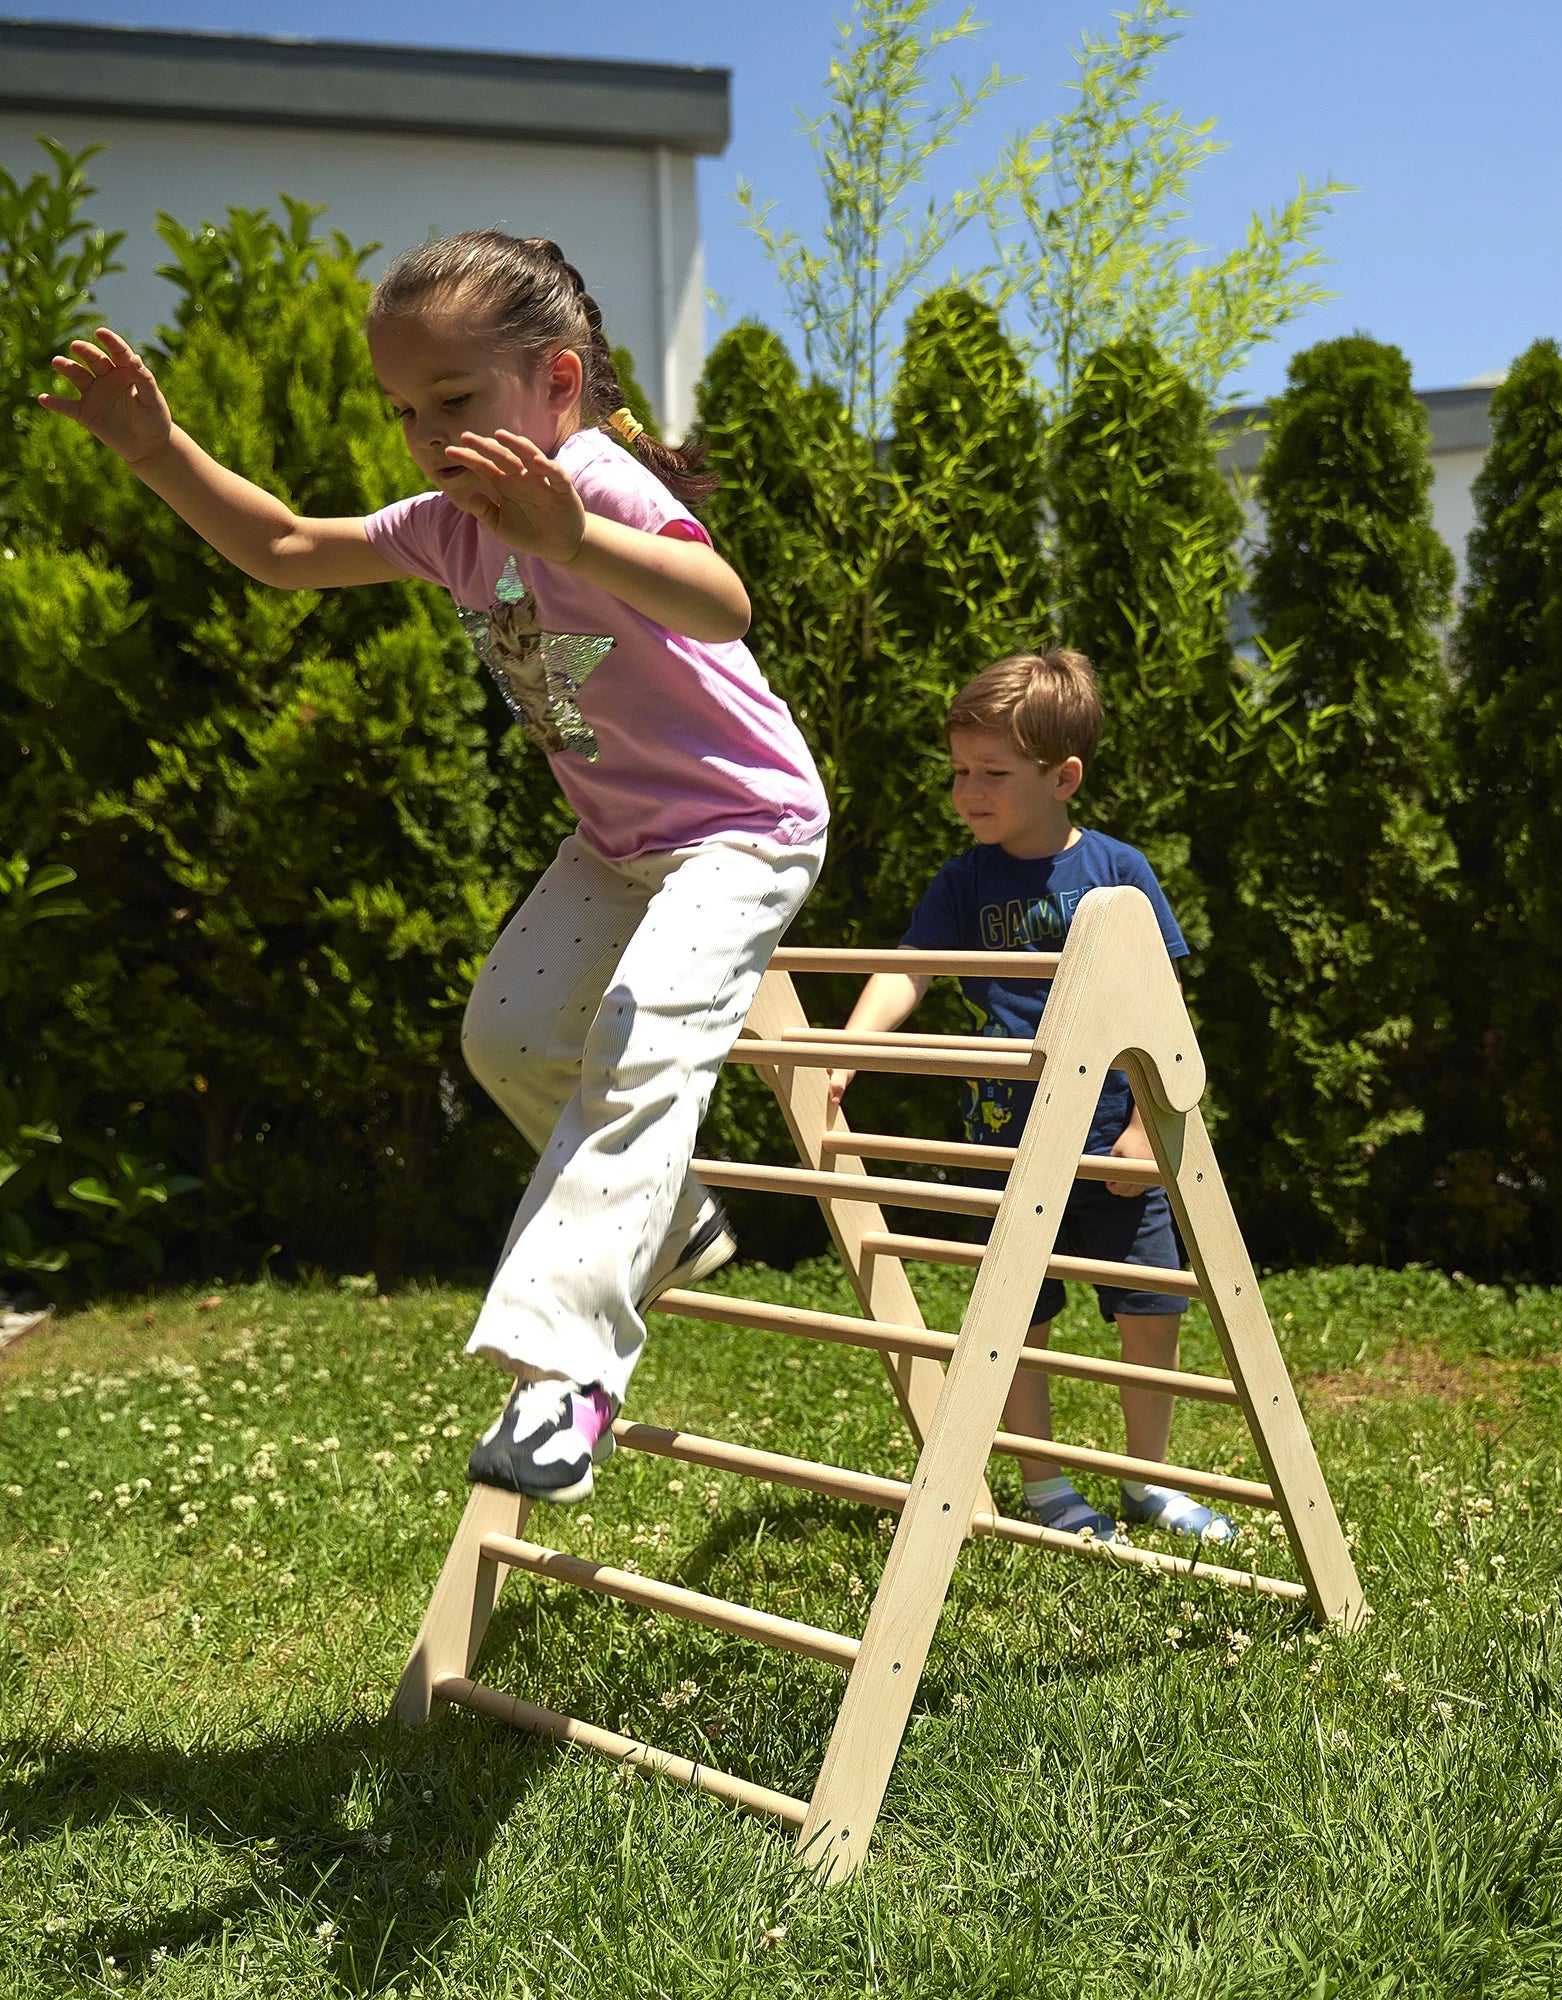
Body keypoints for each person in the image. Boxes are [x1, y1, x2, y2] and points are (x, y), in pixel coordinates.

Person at [41, 231, 828, 1503]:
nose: (423, 434)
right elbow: (287, 550)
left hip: (744, 824)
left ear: (557, 382)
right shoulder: (449, 529)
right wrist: (158, 450)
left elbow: (719, 602)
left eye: (453, 399)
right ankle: (673, 1215)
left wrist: (574, 538)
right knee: (508, 1034)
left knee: (639, 1036)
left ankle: (566, 1374)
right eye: (403, 410)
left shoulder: (593, 482)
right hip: (618, 843)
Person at [828, 650, 1233, 1544]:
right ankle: (1045, 1483)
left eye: (993, 773)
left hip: (1116, 1144)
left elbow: (1163, 1008)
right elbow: (909, 969)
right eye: (959, 772)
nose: (968, 792)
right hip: (1005, 1147)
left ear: (1064, 778)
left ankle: (1148, 1480)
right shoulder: (963, 883)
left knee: (1152, 1309)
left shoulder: (1119, 872)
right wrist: (852, 1048)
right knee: (1019, 1316)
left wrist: (1146, 1127)